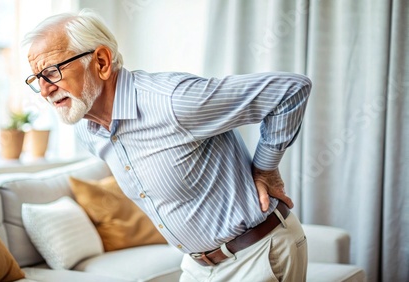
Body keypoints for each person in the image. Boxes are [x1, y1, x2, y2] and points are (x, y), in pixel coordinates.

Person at [23, 9, 312, 282]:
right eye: (37, 79)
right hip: (197, 266)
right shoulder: (89, 130)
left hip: (257, 255)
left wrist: (265, 168)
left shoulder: (172, 101)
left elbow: (290, 90)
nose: (45, 90)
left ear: (101, 62)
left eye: (52, 71)